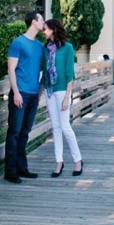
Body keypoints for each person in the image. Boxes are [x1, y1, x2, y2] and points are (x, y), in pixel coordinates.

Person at [4, 11, 45, 184]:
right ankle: (10, 171)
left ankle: (22, 167)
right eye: (41, 19)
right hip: (19, 95)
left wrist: (39, 92)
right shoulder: (18, 43)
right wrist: (16, 92)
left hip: (33, 95)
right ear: (33, 23)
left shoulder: (39, 46)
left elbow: (44, 69)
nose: (43, 21)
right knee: (14, 132)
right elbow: (11, 69)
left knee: (25, 133)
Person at [41, 18, 83, 177]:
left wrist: (67, 97)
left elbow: (69, 74)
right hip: (49, 91)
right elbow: (44, 72)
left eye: (46, 29)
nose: (43, 32)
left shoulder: (67, 48)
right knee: (55, 127)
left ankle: (78, 160)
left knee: (65, 126)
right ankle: (59, 162)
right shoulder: (46, 49)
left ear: (54, 29)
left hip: (62, 91)